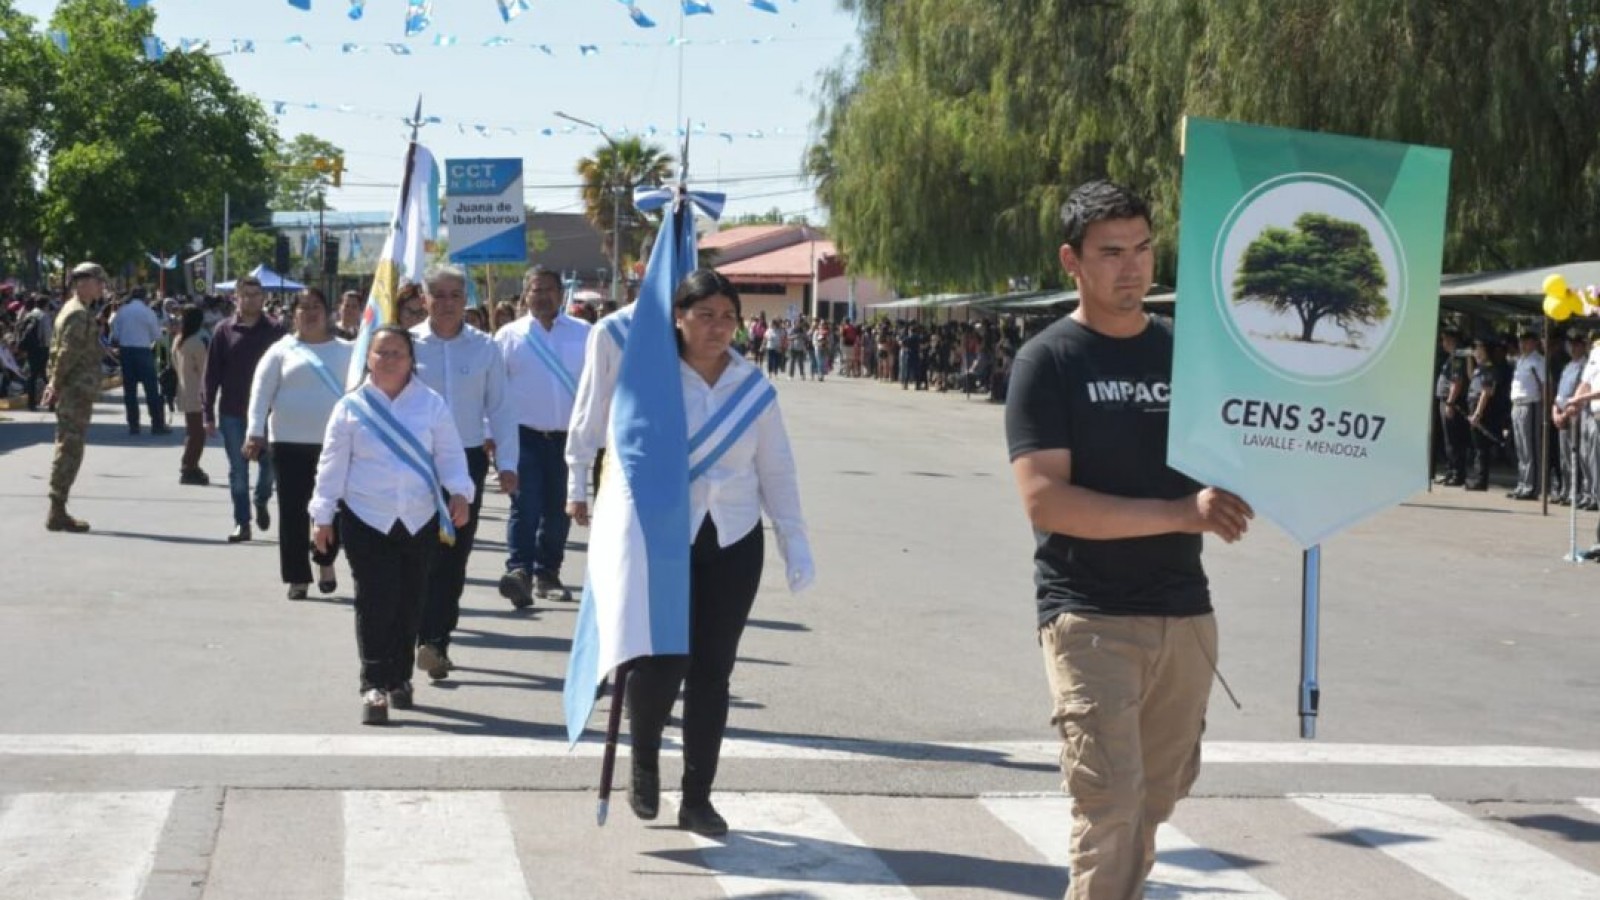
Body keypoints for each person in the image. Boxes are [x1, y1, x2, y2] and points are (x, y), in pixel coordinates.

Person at [1004, 180, 1253, 900]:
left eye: (1143, 249)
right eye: (1111, 253)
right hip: (1089, 616)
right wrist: (1182, 513)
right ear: (1071, 261)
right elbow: (1045, 501)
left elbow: (1245, 446)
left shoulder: (1190, 356)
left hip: (1185, 613)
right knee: (1110, 805)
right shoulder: (1048, 362)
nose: (1133, 267)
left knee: (1155, 800)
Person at [568, 269, 812, 837]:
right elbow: (610, 436)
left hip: (732, 539)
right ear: (677, 318)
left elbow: (776, 468)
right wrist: (580, 485)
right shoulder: (653, 380)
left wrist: (793, 538)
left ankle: (698, 796)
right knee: (663, 660)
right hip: (663, 538)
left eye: (727, 317)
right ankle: (645, 756)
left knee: (713, 671)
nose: (717, 328)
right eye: (704, 316)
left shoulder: (754, 388)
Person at [310, 325, 472, 725]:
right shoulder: (350, 407)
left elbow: (450, 455)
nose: (389, 360)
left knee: (410, 601)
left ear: (411, 359)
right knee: (374, 600)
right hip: (367, 517)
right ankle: (374, 684)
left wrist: (459, 492)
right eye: (381, 352)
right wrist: (323, 515)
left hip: (418, 517)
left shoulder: (431, 404)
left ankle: (400, 678)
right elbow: (331, 466)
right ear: (368, 358)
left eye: (398, 352)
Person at [410, 266, 519, 679]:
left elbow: (503, 409)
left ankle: (435, 642)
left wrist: (507, 464)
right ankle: (411, 637)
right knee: (415, 557)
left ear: (466, 299)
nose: (447, 302)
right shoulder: (408, 345)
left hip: (466, 462)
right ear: (424, 299)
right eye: (438, 294)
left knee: (452, 559)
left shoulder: (485, 348)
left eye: (455, 294)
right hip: (414, 463)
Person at [246, 288, 353, 600]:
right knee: (293, 511)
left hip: (334, 445)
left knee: (332, 510)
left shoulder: (347, 350)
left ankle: (325, 562)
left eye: (316, 306)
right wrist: (255, 432)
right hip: (288, 443)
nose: (310, 313)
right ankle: (297, 576)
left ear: (329, 311)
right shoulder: (281, 350)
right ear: (293, 314)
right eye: (303, 307)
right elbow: (260, 393)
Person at [493, 266, 590, 607]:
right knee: (526, 506)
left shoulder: (584, 333)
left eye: (550, 289)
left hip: (569, 439)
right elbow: (495, 391)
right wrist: (494, 437)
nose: (544, 295)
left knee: (557, 509)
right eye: (537, 289)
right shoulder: (508, 336)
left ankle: (547, 572)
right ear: (525, 294)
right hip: (523, 437)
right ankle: (519, 571)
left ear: (561, 294)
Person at [206, 276, 286, 543]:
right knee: (238, 472)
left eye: (256, 294)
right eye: (246, 294)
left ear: (263, 298)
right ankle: (242, 522)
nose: (251, 299)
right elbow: (211, 374)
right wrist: (207, 413)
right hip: (232, 412)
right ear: (236, 298)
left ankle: (261, 499)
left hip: (268, 414)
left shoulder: (276, 331)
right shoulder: (224, 331)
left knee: (270, 467)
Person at [41, 263, 109, 532]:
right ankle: (57, 508)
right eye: (98, 281)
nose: (101, 287)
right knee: (70, 449)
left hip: (75, 390)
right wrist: (55, 385)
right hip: (74, 391)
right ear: (82, 283)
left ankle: (58, 507)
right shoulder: (78, 313)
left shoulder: (76, 310)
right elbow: (67, 353)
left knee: (69, 446)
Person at [109, 286, 169, 435]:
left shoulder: (122, 311)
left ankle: (134, 424)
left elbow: (115, 334)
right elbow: (157, 336)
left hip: (126, 352)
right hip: (143, 351)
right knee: (151, 389)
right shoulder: (148, 312)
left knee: (130, 390)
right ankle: (157, 423)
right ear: (145, 298)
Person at [173, 306, 212, 486]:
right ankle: (189, 466)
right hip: (197, 392)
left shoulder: (178, 340)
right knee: (198, 433)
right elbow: (206, 369)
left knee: (192, 430)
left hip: (183, 390)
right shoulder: (197, 342)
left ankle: (190, 464)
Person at [1507, 330, 1544, 500]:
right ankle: (1522, 483)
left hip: (1531, 405)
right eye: (1521, 341)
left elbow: (1544, 385)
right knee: (1521, 448)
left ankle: (1532, 486)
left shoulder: (1538, 361)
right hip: (1517, 404)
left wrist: (1544, 408)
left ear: (1535, 342)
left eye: (1527, 340)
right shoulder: (1522, 360)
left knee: (1530, 448)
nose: (1523, 344)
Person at [1553, 331, 1588, 507]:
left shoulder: (1585, 367)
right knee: (1564, 457)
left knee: (1576, 457)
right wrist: (1555, 412)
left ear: (1584, 346)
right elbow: (1559, 393)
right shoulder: (1568, 366)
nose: (1573, 347)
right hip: (1561, 413)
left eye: (1577, 344)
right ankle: (1566, 490)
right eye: (1571, 344)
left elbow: (1578, 393)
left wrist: (1565, 413)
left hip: (1574, 414)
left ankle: (1577, 492)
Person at [1464, 337, 1502, 492]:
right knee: (1476, 445)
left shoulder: (1489, 368)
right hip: (1473, 405)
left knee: (1481, 448)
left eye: (1480, 349)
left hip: (1482, 409)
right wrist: (1469, 358)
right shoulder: (1479, 367)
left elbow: (1486, 393)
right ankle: (1477, 477)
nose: (1477, 352)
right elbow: (1471, 376)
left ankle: (1480, 480)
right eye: (1475, 349)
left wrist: (1478, 414)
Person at [1434, 326, 1468, 487]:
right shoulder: (1452, 357)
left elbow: (1457, 382)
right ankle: (1450, 471)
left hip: (1452, 402)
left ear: (1451, 340)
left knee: (1454, 440)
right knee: (1448, 440)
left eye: (1445, 339)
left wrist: (1450, 402)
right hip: (1445, 400)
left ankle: (1457, 474)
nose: (1443, 343)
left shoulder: (1457, 357)